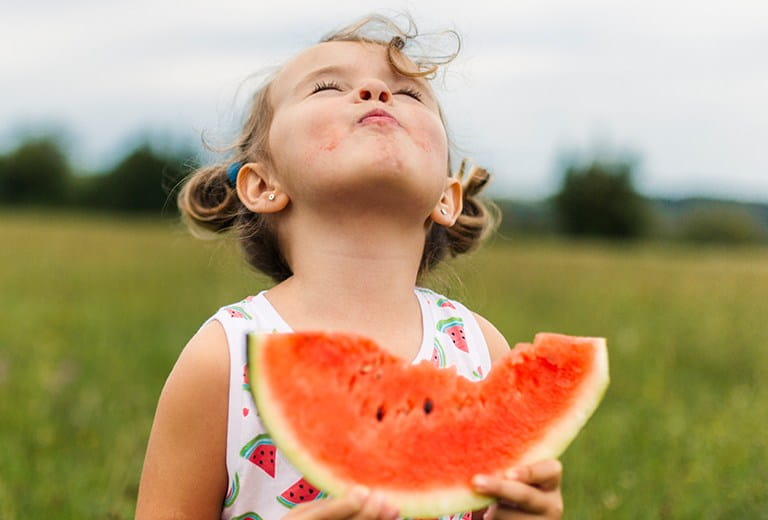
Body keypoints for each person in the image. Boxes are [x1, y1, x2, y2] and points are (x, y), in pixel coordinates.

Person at [136, 14, 564, 520]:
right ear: (262, 185)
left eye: (408, 94)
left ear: (447, 197)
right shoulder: (226, 359)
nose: (374, 91)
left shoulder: (479, 349)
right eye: (326, 87)